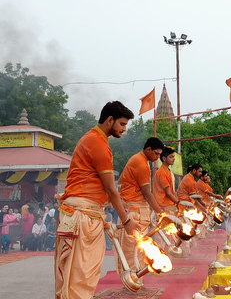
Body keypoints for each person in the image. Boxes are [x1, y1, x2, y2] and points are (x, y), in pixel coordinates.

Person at [54, 101, 138, 299]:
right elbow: (111, 189)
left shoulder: (92, 138)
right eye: (122, 124)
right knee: (81, 278)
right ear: (110, 120)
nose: (124, 129)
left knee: (75, 276)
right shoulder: (98, 144)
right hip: (83, 217)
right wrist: (126, 222)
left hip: (80, 214)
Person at [116, 137, 165, 277]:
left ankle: (136, 280)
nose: (157, 157)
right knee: (132, 251)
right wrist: (160, 212)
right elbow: (147, 193)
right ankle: (131, 281)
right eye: (156, 154)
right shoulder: (141, 164)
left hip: (138, 210)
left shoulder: (140, 160)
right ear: (148, 149)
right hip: (134, 211)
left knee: (138, 250)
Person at [153, 147, 179, 216]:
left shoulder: (168, 171)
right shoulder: (162, 172)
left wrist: (177, 202)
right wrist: (179, 203)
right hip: (164, 208)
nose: (173, 159)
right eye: (171, 157)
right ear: (164, 158)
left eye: (173, 157)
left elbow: (172, 191)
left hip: (169, 206)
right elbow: (168, 193)